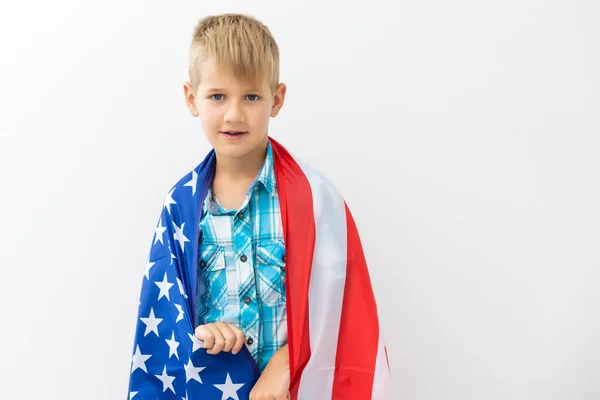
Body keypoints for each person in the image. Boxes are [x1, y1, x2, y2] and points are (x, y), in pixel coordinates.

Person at [128, 13, 392, 400]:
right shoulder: (181, 207)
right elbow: (168, 321)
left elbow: (341, 313)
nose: (234, 114)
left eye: (251, 96)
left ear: (277, 99)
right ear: (191, 98)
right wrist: (205, 334)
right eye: (218, 96)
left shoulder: (315, 202)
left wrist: (286, 363)